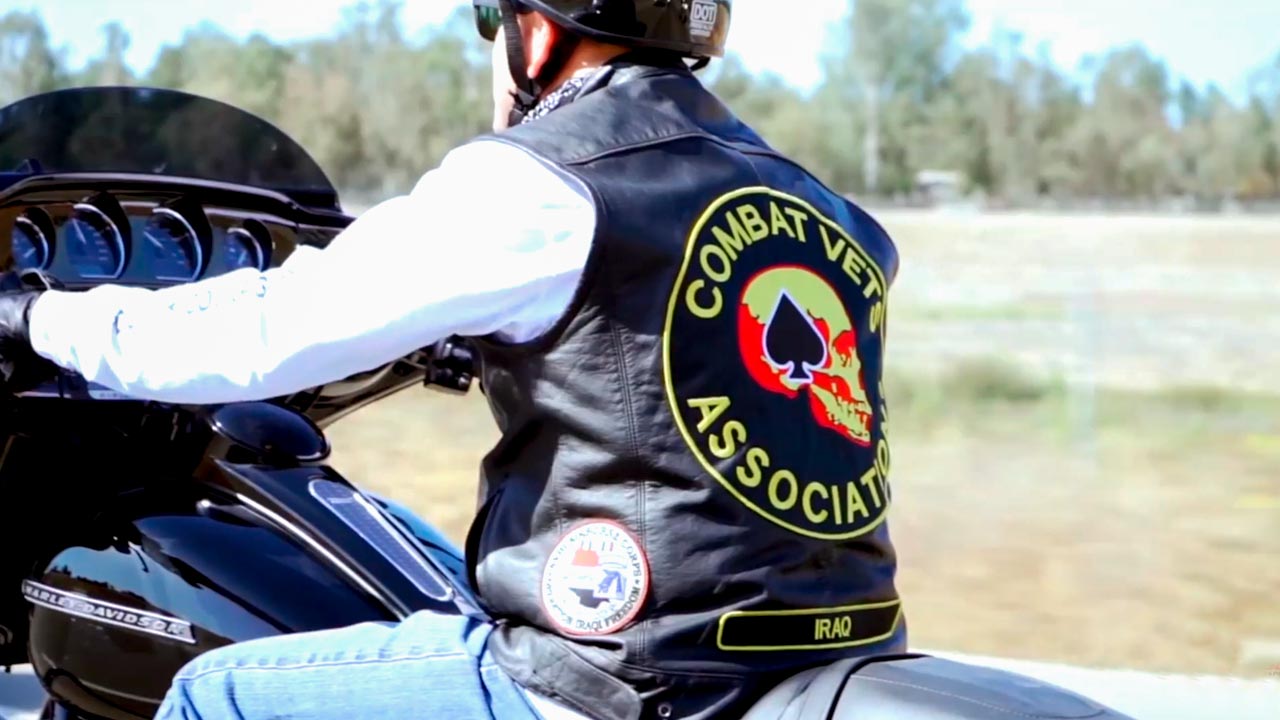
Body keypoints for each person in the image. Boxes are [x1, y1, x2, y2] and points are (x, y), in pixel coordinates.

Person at [0, 1, 907, 718]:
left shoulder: (544, 181)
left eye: (490, 16)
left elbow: (260, 333)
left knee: (214, 692)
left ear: (537, 32)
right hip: (829, 645)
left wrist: (37, 318)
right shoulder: (818, 205)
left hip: (629, 675)